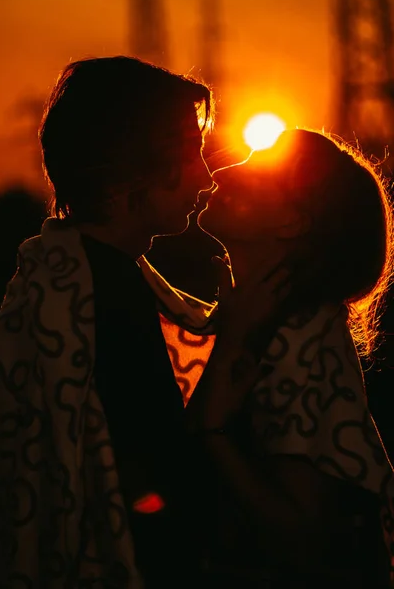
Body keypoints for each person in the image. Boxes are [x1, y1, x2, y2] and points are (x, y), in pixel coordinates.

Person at [0, 55, 219, 589]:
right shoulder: (108, 294)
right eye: (189, 156)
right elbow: (159, 462)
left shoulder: (64, 276)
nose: (207, 179)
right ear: (132, 164)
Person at [139, 129, 394, 587]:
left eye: (258, 168)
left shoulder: (299, 339)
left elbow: (300, 534)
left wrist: (213, 433)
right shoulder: (255, 325)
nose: (221, 171)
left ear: (291, 223)